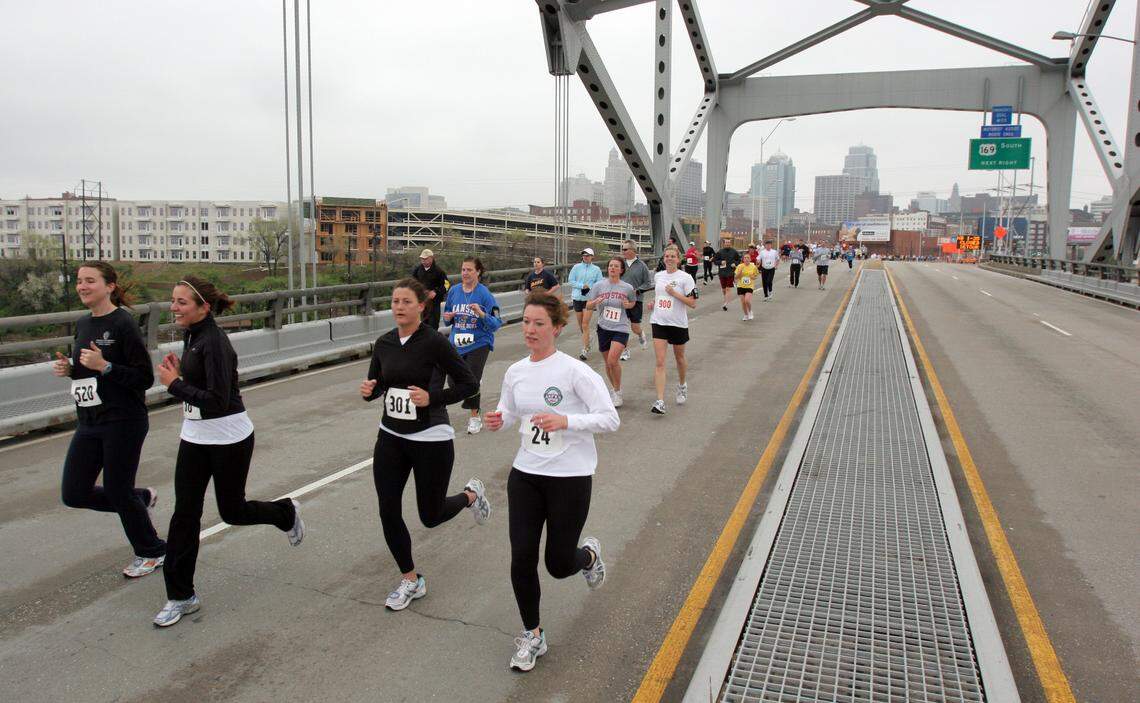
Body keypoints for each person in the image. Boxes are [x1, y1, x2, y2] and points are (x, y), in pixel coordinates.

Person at [153, 276, 304, 627]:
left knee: (232, 511)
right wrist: (181, 377)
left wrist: (175, 385)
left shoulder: (215, 342)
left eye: (181, 303)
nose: (173, 308)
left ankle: (284, 514)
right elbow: (199, 389)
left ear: (203, 307)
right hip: (194, 437)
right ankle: (181, 595)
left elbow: (218, 401)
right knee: (185, 516)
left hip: (229, 437)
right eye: (173, 301)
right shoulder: (191, 334)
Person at [483, 292, 618, 672]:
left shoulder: (575, 372)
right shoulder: (515, 372)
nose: (530, 330)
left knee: (558, 564)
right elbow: (510, 413)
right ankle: (532, 635)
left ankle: (587, 556)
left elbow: (610, 419)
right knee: (521, 559)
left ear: (557, 328)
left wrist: (567, 421)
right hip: (525, 476)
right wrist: (499, 420)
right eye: (526, 322)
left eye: (538, 323)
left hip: (569, 478)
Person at [360, 278, 491, 611]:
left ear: (421, 306)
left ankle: (470, 495)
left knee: (430, 516)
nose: (399, 307)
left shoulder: (434, 343)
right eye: (395, 302)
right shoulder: (384, 343)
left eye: (406, 301)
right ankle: (410, 579)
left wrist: (431, 397)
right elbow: (380, 384)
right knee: (387, 508)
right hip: (390, 435)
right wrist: (370, 391)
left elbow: (468, 383)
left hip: (430, 436)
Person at [52, 262, 165, 579]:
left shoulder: (123, 324)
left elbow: (143, 377)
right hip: (89, 421)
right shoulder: (83, 323)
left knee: (117, 489)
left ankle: (153, 550)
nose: (82, 287)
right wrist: (70, 370)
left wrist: (106, 366)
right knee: (74, 493)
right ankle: (139, 498)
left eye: (90, 281)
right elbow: (86, 371)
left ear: (110, 286)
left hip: (123, 420)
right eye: (79, 281)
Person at [442, 257, 503, 435]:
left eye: (469, 270)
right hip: (457, 343)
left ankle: (475, 417)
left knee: (471, 381)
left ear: (478, 272)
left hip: (479, 342)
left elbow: (496, 323)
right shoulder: (454, 291)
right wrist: (449, 316)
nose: (465, 273)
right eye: (463, 270)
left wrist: (482, 314)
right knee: (453, 382)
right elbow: (446, 318)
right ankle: (474, 383)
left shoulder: (484, 294)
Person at [649, 247, 698, 414]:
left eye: (672, 256)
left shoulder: (686, 278)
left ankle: (682, 384)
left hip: (677, 324)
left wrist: (675, 293)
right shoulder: (658, 276)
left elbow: (692, 303)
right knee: (660, 362)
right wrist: (653, 303)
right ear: (663, 258)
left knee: (679, 358)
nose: (669, 259)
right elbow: (660, 296)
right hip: (659, 322)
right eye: (667, 256)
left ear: (678, 259)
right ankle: (660, 401)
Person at [584, 256, 636, 406]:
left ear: (621, 270)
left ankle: (618, 392)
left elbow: (632, 302)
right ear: (607, 269)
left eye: (616, 266)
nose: (612, 268)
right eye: (610, 266)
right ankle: (614, 389)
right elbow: (588, 305)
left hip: (621, 328)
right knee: (608, 364)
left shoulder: (627, 287)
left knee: (613, 360)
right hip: (604, 327)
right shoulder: (598, 286)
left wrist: (628, 305)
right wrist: (594, 302)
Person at [619, 240, 653, 361]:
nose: (623, 251)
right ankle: (625, 351)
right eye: (623, 249)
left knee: (634, 327)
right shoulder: (620, 264)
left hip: (636, 300)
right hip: (621, 300)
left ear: (633, 250)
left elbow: (648, 283)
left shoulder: (642, 265)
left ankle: (640, 334)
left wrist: (637, 291)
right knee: (622, 326)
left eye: (625, 249)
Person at [567, 248, 603, 359]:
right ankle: (587, 339)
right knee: (581, 325)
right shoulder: (576, 267)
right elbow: (571, 280)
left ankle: (585, 349)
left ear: (592, 257)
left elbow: (600, 283)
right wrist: (582, 286)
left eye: (588, 255)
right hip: (577, 298)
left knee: (585, 324)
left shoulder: (596, 269)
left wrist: (590, 287)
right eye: (584, 255)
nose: (585, 257)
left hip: (589, 299)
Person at [411, 249, 448, 331]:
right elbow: (412, 283)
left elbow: (446, 285)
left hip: (434, 303)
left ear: (431, 258)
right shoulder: (417, 270)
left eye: (425, 259)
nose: (423, 261)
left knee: (433, 325)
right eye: (422, 259)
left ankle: (433, 342)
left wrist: (436, 292)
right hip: (422, 302)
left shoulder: (439, 271)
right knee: (422, 325)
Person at [715, 239, 741, 312]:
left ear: (730, 244)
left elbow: (739, 260)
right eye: (726, 243)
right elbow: (715, 261)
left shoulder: (734, 251)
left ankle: (725, 303)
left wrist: (735, 264)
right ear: (724, 244)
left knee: (728, 289)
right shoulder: (720, 252)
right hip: (722, 273)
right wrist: (720, 262)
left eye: (729, 243)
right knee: (724, 289)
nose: (727, 244)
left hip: (731, 273)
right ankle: (726, 298)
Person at [734, 251, 759, 321]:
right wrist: (739, 273)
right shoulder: (740, 266)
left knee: (747, 300)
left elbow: (755, 276)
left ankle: (750, 311)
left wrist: (752, 277)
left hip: (749, 286)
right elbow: (736, 277)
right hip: (740, 286)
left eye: (748, 257)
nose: (746, 259)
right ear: (743, 259)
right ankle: (745, 315)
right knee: (743, 302)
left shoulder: (753, 266)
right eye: (745, 258)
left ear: (750, 259)